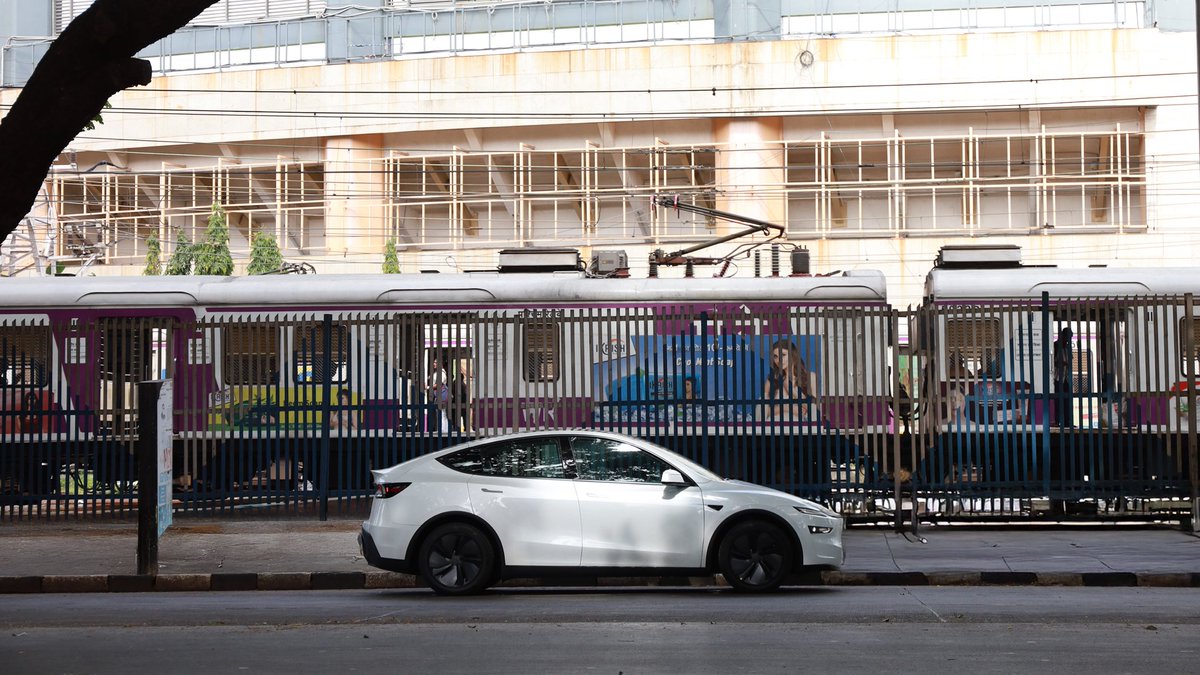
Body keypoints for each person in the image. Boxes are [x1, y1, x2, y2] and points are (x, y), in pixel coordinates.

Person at [761, 339, 818, 422]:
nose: (778, 360)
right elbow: (762, 412)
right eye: (775, 357)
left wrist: (791, 391)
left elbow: (814, 410)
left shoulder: (810, 377)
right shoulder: (772, 379)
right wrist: (786, 407)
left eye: (783, 355)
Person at [1053, 326, 1073, 428]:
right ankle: (1057, 421)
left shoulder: (1068, 347)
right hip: (1058, 378)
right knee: (1058, 400)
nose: (1068, 340)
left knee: (1067, 400)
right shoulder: (1055, 346)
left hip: (1067, 378)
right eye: (1067, 338)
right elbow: (1052, 362)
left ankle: (1067, 422)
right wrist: (1062, 363)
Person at [426, 358, 449, 433]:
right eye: (434, 362)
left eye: (436, 362)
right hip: (439, 395)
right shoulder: (437, 373)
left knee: (442, 413)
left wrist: (428, 387)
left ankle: (443, 430)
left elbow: (439, 384)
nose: (434, 364)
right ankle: (443, 429)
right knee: (441, 413)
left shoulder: (441, 373)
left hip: (440, 395)